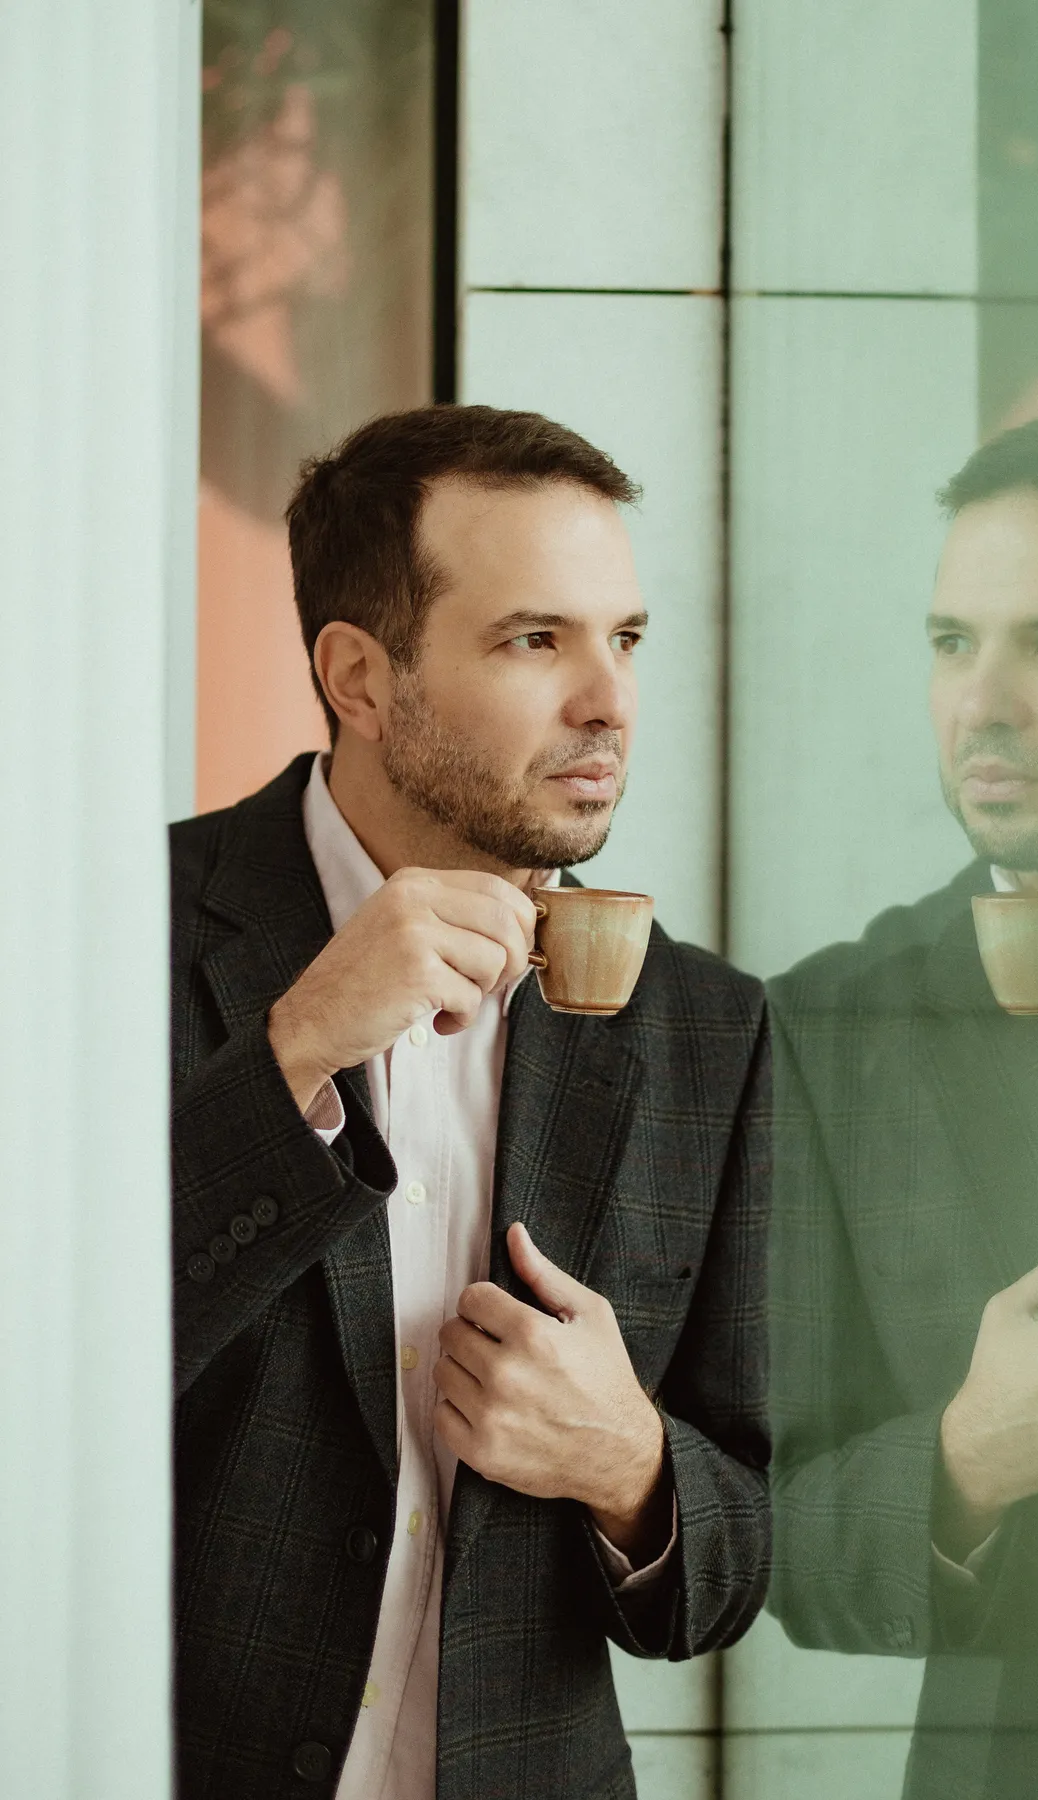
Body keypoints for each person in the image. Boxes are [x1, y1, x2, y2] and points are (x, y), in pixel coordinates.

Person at [171, 405, 771, 1800]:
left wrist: (632, 1469)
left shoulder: (708, 1027)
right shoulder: (96, 933)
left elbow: (736, 1566)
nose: (609, 703)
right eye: (533, 640)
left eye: (623, 639)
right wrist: (297, 1046)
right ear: (359, 677)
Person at [768, 413, 1038, 1799]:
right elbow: (766, 1541)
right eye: (955, 642)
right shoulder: (833, 1029)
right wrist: (968, 1463)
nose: (983, 703)